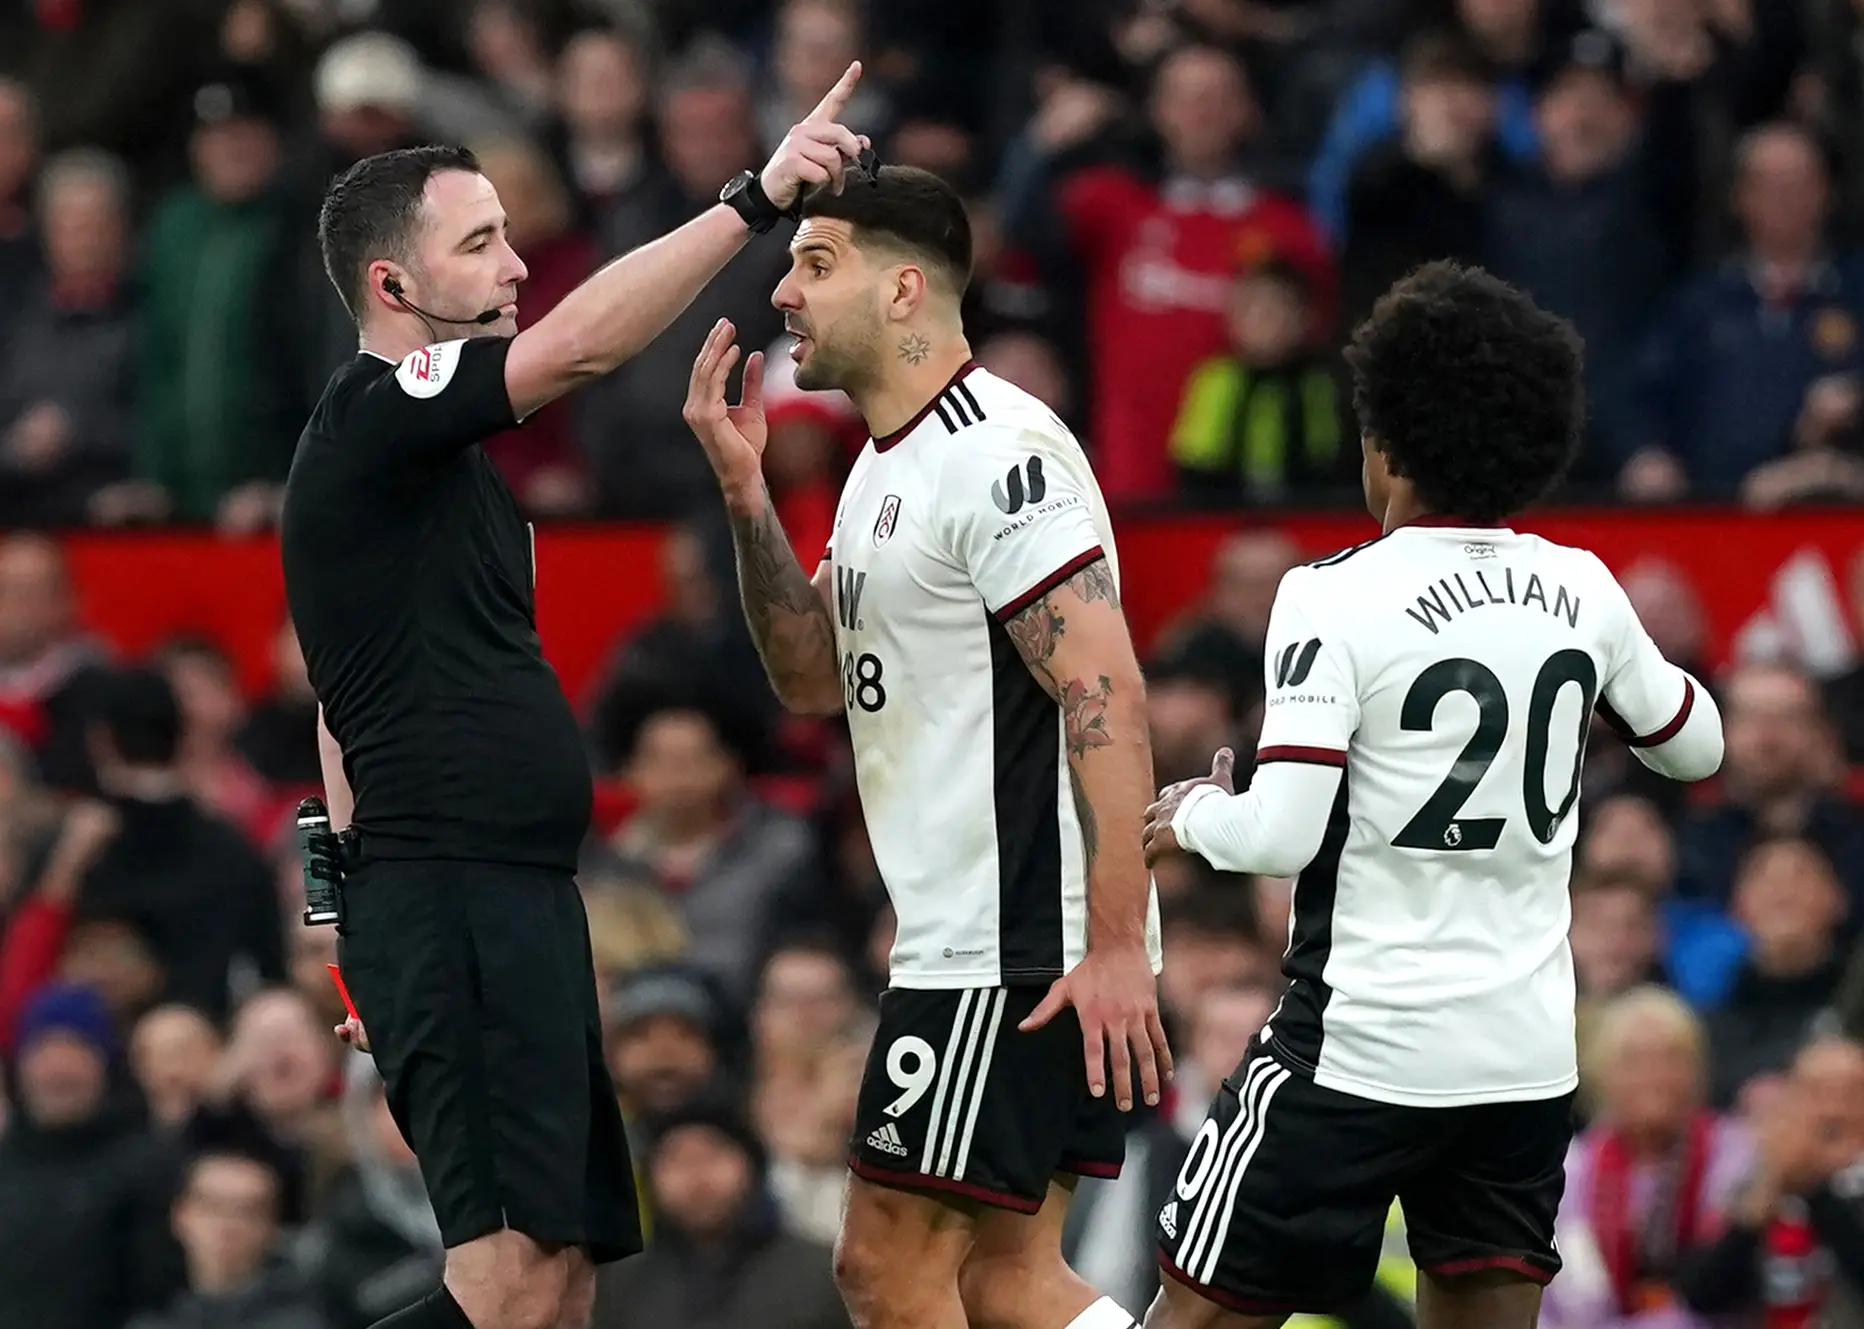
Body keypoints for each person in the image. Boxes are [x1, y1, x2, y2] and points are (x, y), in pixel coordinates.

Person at [280, 63, 870, 1329]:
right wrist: (754, 196)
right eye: (481, 246)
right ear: (395, 287)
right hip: (445, 895)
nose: (514, 269)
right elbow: (588, 345)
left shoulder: (461, 484)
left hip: (516, 901)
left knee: (560, 1285)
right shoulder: (370, 419)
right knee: (500, 1290)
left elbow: (341, 704)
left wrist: (351, 950)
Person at [1139, 261, 1728, 1329]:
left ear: (1387, 440)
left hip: (1360, 1045)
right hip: (1520, 1058)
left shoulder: (1333, 593)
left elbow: (1279, 830)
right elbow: (1694, 747)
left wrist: (1188, 816)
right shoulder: (1582, 587)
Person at [681, 164, 1169, 1329]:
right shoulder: (879, 472)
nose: (784, 297)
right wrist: (747, 499)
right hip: (989, 931)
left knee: (883, 1267)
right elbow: (808, 678)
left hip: (1013, 938)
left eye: (815, 263)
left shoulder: (998, 451)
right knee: (1002, 1281)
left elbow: (1105, 692)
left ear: (905, 290)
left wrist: (1108, 945)